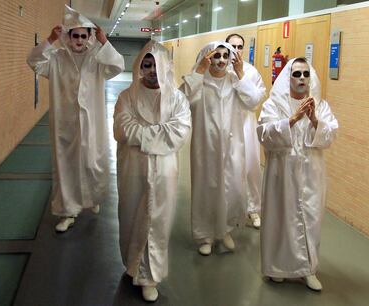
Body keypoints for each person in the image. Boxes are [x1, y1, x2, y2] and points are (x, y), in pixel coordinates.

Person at [27, 5, 125, 232]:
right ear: (68, 36)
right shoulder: (57, 58)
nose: (79, 40)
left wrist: (104, 42)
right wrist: (51, 40)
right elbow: (33, 61)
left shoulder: (97, 59)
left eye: (84, 35)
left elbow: (118, 65)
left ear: (89, 37)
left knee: (92, 161)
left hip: (93, 123)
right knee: (66, 166)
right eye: (75, 35)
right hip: (65, 123)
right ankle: (67, 211)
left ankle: (92, 199)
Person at [113, 40, 191, 302]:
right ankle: (132, 264)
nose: (152, 70)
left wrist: (142, 135)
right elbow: (122, 130)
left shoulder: (178, 99)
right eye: (147, 65)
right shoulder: (127, 96)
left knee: (158, 220)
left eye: (156, 65)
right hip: (132, 168)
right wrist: (157, 136)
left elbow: (178, 132)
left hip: (165, 171)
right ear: (140, 67)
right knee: (131, 215)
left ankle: (149, 275)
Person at [257, 57, 338, 291]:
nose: (301, 78)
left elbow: (330, 135)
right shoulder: (274, 105)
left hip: (311, 172)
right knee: (281, 219)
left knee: (310, 219)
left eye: (305, 74)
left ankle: (308, 269)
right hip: (281, 172)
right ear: (288, 77)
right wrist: (292, 119)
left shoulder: (320, 105)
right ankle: (278, 267)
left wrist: (314, 120)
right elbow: (264, 133)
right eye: (296, 74)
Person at [181, 41, 259, 256]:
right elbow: (182, 100)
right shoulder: (199, 82)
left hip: (232, 146)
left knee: (231, 187)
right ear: (207, 57)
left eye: (226, 56)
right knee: (206, 188)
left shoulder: (235, 81)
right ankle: (204, 235)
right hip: (205, 147)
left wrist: (241, 73)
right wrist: (199, 72)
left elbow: (253, 101)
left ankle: (224, 229)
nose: (222, 60)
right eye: (217, 56)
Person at [225, 33, 266, 229]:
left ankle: (252, 209)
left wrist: (240, 74)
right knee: (227, 168)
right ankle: (227, 210)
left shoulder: (251, 72)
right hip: (225, 125)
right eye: (232, 46)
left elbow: (254, 100)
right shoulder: (218, 69)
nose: (236, 50)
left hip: (246, 125)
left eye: (240, 46)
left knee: (250, 167)